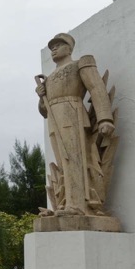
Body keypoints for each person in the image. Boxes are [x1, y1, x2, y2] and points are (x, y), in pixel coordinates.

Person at [35, 33, 115, 216]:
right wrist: (41, 97)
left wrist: (105, 118)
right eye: (52, 47)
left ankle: (78, 205)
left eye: (58, 45)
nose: (54, 49)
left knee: (74, 158)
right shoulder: (49, 78)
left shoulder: (80, 63)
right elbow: (44, 111)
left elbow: (96, 88)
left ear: (69, 48)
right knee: (63, 162)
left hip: (72, 113)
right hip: (55, 118)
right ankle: (65, 203)